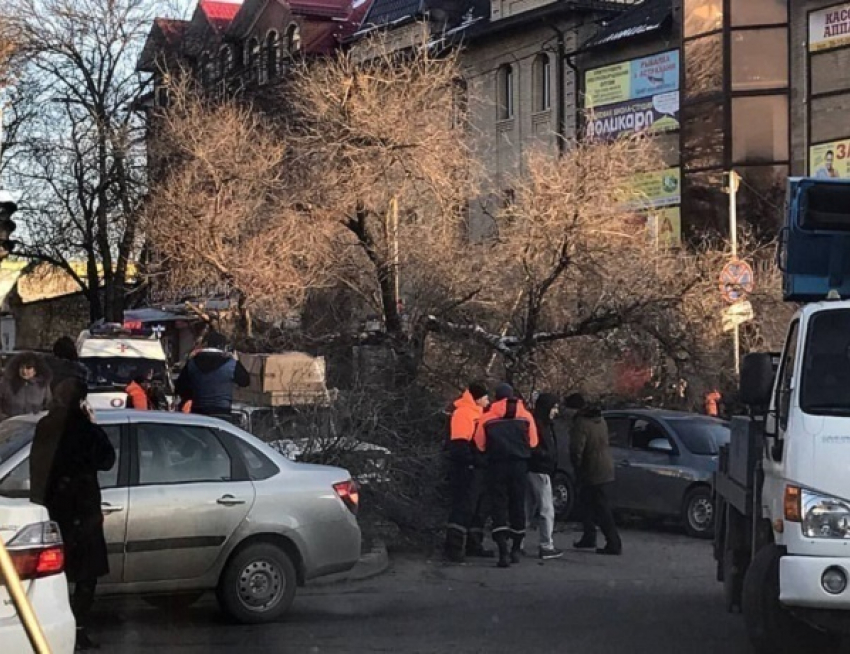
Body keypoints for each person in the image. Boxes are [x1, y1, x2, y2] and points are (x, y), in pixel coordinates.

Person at [30, 379, 116, 650]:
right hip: (83, 509)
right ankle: (77, 628)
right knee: (86, 573)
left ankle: (50, 624)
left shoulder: (45, 427)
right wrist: (94, 425)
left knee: (53, 572)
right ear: (81, 401)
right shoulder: (85, 429)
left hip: (53, 508)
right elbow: (107, 460)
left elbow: (36, 465)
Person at [474, 383, 538, 568]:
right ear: (512, 397)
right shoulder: (526, 416)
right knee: (517, 504)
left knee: (499, 506)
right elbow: (533, 443)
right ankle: (516, 548)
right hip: (519, 465)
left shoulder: (487, 418)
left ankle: (502, 550)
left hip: (497, 466)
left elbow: (480, 445)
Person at [566, 393, 622, 556]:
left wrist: (577, 467)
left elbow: (577, 449)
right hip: (604, 464)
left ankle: (613, 542)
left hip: (591, 467)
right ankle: (589, 536)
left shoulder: (581, 423)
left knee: (600, 506)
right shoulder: (599, 419)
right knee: (589, 503)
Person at [444, 382, 492, 563]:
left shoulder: (477, 413)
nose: (488, 401)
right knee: (464, 507)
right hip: (466, 467)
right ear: (478, 398)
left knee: (477, 509)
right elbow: (459, 444)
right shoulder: (464, 413)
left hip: (477, 466)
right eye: (486, 398)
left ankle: (474, 544)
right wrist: (472, 461)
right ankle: (454, 548)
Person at [175, 331, 250, 417]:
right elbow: (245, 381)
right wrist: (236, 360)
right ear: (223, 347)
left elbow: (180, 387)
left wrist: (192, 395)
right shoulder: (231, 364)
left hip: (198, 412)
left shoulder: (192, 363)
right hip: (222, 413)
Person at [528, 392, 563, 560]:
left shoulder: (544, 424)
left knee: (529, 507)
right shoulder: (540, 425)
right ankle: (546, 545)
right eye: (554, 407)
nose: (556, 411)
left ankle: (517, 542)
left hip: (537, 468)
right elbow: (533, 447)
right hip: (540, 469)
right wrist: (545, 456)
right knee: (546, 509)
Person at [0, 352, 52, 420]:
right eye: (21, 367)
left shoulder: (43, 386)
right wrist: (4, 419)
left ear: (36, 370)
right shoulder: (5, 384)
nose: (24, 371)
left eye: (28, 368)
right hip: (9, 426)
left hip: (33, 426)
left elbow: (49, 407)